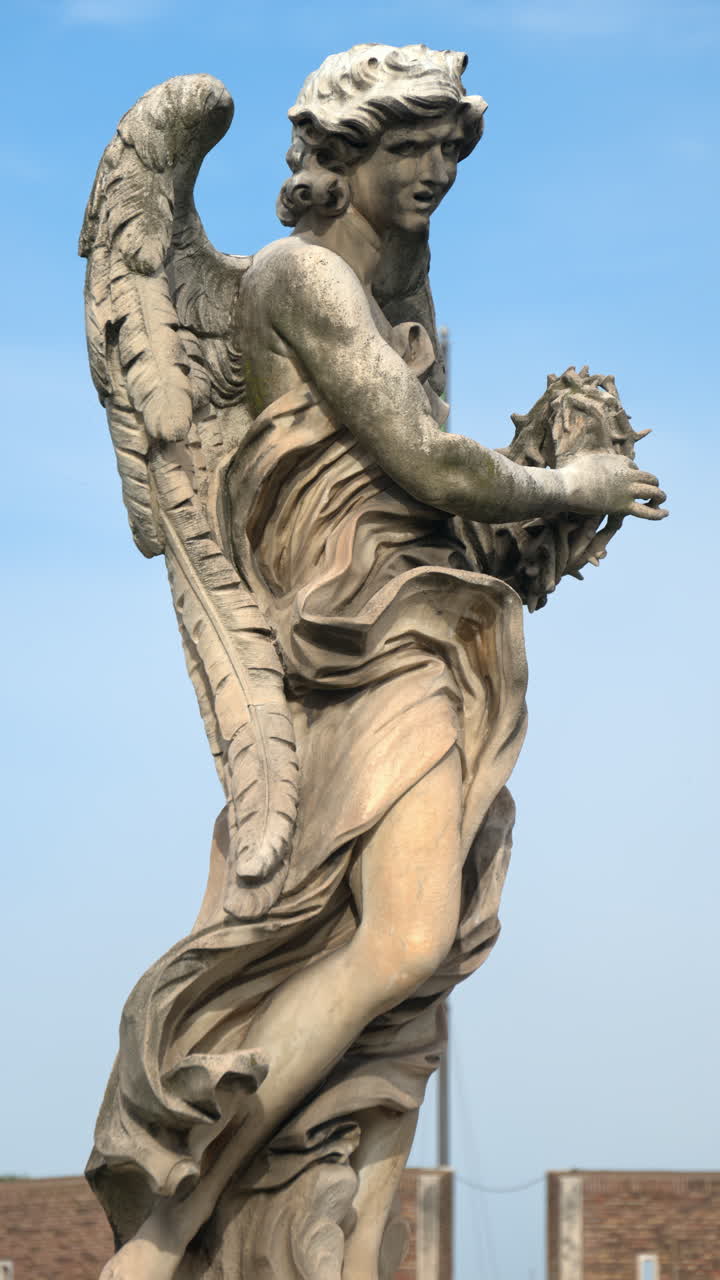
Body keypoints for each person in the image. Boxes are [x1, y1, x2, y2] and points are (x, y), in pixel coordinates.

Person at [87, 45, 666, 1280]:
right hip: (361, 641)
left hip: (430, 628)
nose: (438, 173)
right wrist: (580, 479)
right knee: (404, 938)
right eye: (413, 149)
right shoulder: (296, 280)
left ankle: (329, 1248)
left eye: (452, 150)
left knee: (408, 979)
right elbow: (426, 465)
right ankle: (167, 1224)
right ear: (343, 154)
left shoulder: (404, 289)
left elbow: (437, 510)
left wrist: (535, 534)